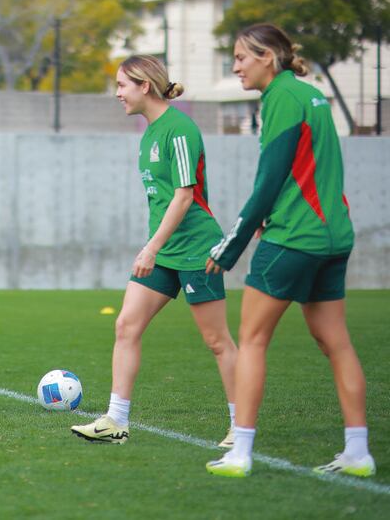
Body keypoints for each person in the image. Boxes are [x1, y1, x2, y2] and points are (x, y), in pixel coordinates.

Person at [205, 24, 373, 478]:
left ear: (268, 57)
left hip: (293, 239)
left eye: (241, 57)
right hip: (334, 236)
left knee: (254, 340)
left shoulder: (280, 96)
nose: (236, 66)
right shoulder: (311, 93)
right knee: (334, 342)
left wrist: (230, 246)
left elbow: (270, 178)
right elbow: (306, 169)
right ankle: (359, 452)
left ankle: (239, 452)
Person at [71, 55, 237, 445]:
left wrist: (150, 248)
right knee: (126, 325)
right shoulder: (149, 133)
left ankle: (240, 424)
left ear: (145, 85)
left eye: (122, 85)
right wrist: (155, 248)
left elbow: (183, 197)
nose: (117, 94)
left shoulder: (178, 129)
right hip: (164, 250)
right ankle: (115, 420)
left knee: (217, 341)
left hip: (196, 249)